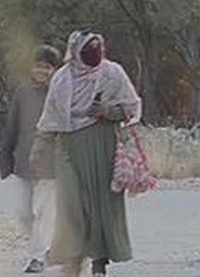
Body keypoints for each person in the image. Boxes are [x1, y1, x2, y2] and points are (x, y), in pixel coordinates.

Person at [34, 30, 141, 277]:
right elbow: (50, 119)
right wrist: (39, 151)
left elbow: (130, 108)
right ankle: (71, 256)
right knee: (71, 204)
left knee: (102, 206)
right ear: (76, 52)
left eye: (99, 48)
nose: (96, 54)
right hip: (69, 148)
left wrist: (107, 111)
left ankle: (99, 261)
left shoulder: (112, 74)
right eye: (89, 49)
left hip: (103, 146)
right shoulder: (61, 79)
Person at [0, 45, 62, 274]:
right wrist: (5, 155)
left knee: (43, 212)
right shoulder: (22, 92)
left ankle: (37, 257)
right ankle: (46, 247)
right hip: (25, 160)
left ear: (55, 70)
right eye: (38, 66)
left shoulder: (61, 93)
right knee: (24, 212)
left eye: (47, 67)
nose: (42, 71)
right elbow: (12, 126)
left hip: (52, 163)